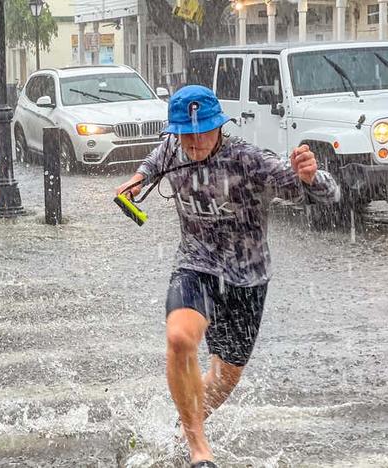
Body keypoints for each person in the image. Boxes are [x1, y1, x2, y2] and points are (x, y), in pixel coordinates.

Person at [115, 85, 340, 468]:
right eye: (187, 133)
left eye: (204, 130)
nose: (195, 141)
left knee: (224, 377)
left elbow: (328, 195)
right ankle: (199, 451)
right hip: (196, 266)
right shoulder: (174, 147)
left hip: (247, 278)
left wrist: (311, 176)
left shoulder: (249, 161)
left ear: (220, 125)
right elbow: (156, 158)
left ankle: (177, 432)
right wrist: (138, 178)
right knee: (179, 337)